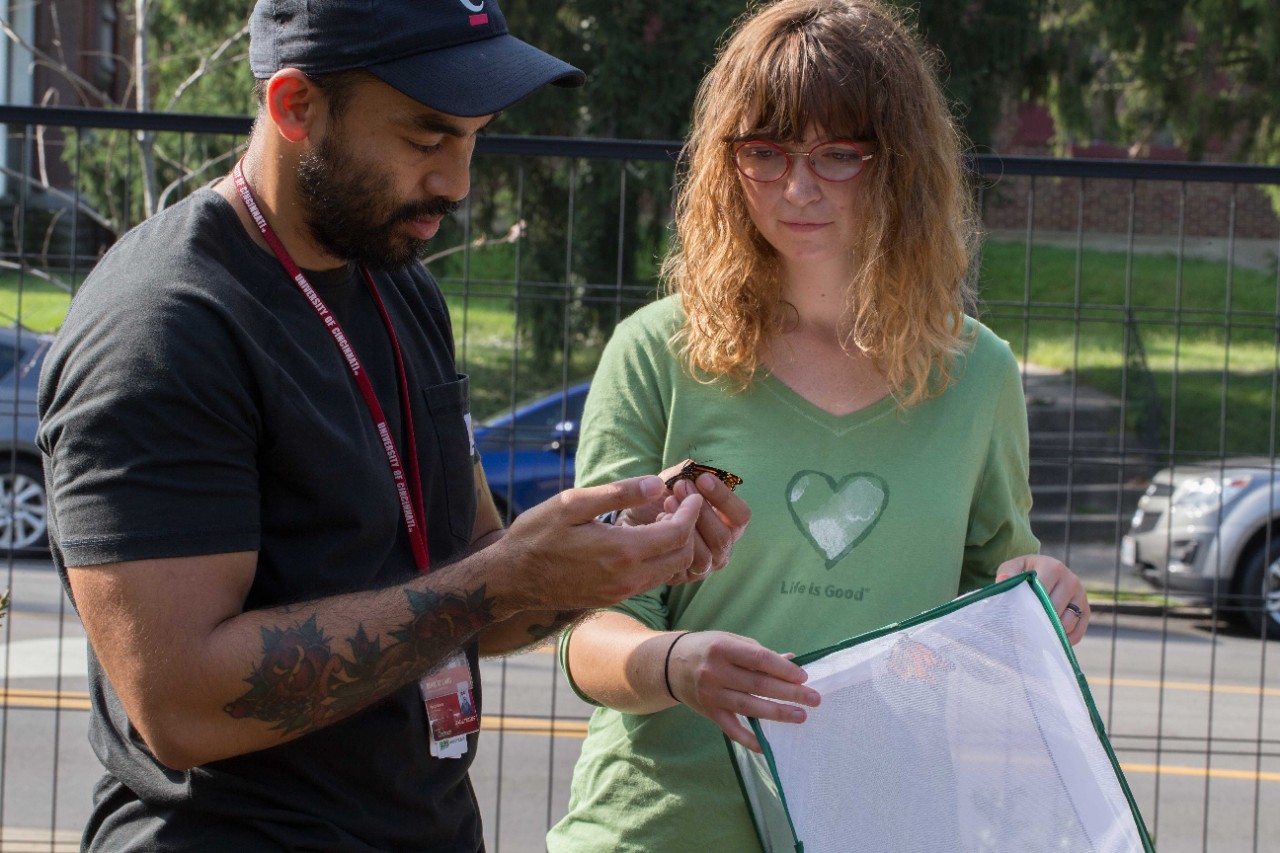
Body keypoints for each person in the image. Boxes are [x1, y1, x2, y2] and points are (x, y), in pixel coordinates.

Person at [36, 1, 749, 850]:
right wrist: (508, 578)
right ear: (295, 105)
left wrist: (610, 551)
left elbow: (475, 590)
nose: (458, 182)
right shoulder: (161, 326)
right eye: (426, 139)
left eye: (475, 137)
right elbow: (179, 702)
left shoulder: (396, 280)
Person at [546, 1, 1092, 850]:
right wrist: (676, 663)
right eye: (765, 151)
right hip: (661, 826)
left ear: (901, 166)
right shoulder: (655, 353)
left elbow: (997, 607)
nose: (797, 187)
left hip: (877, 825)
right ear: (726, 161)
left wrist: (1041, 589)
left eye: (838, 154)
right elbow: (589, 638)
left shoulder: (979, 374)